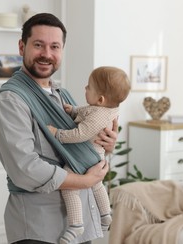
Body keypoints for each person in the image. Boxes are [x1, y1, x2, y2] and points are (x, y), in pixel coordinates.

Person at [0, 12, 118, 244]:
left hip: (79, 225)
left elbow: (79, 150)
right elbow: (26, 169)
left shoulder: (62, 96)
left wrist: (105, 144)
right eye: (38, 45)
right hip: (39, 227)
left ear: (62, 51)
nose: (47, 54)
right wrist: (86, 181)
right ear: (21, 46)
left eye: (54, 46)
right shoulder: (11, 101)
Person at [47, 66, 131, 243]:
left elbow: (80, 133)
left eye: (89, 87)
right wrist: (74, 110)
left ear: (100, 99)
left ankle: (76, 224)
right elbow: (87, 111)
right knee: (96, 184)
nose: (85, 88)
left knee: (69, 186)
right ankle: (106, 213)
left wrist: (57, 133)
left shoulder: (99, 116)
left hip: (85, 157)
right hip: (95, 155)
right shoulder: (105, 109)